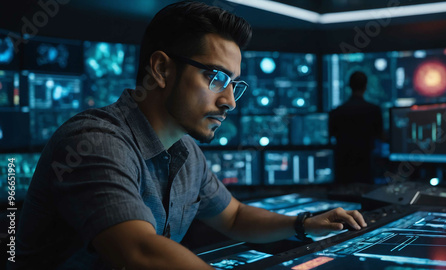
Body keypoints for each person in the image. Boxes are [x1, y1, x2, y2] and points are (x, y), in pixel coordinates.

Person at [11, 2, 367, 269]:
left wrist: (303, 224)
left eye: (233, 84)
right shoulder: (94, 142)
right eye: (215, 78)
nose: (229, 101)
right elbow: (140, 251)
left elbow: (235, 217)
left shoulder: (185, 151)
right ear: (162, 69)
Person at [329, 71, 383, 186]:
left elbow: (331, 136)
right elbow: (380, 136)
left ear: (349, 86)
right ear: (365, 86)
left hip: (343, 171)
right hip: (366, 168)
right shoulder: (373, 110)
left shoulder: (336, 112)